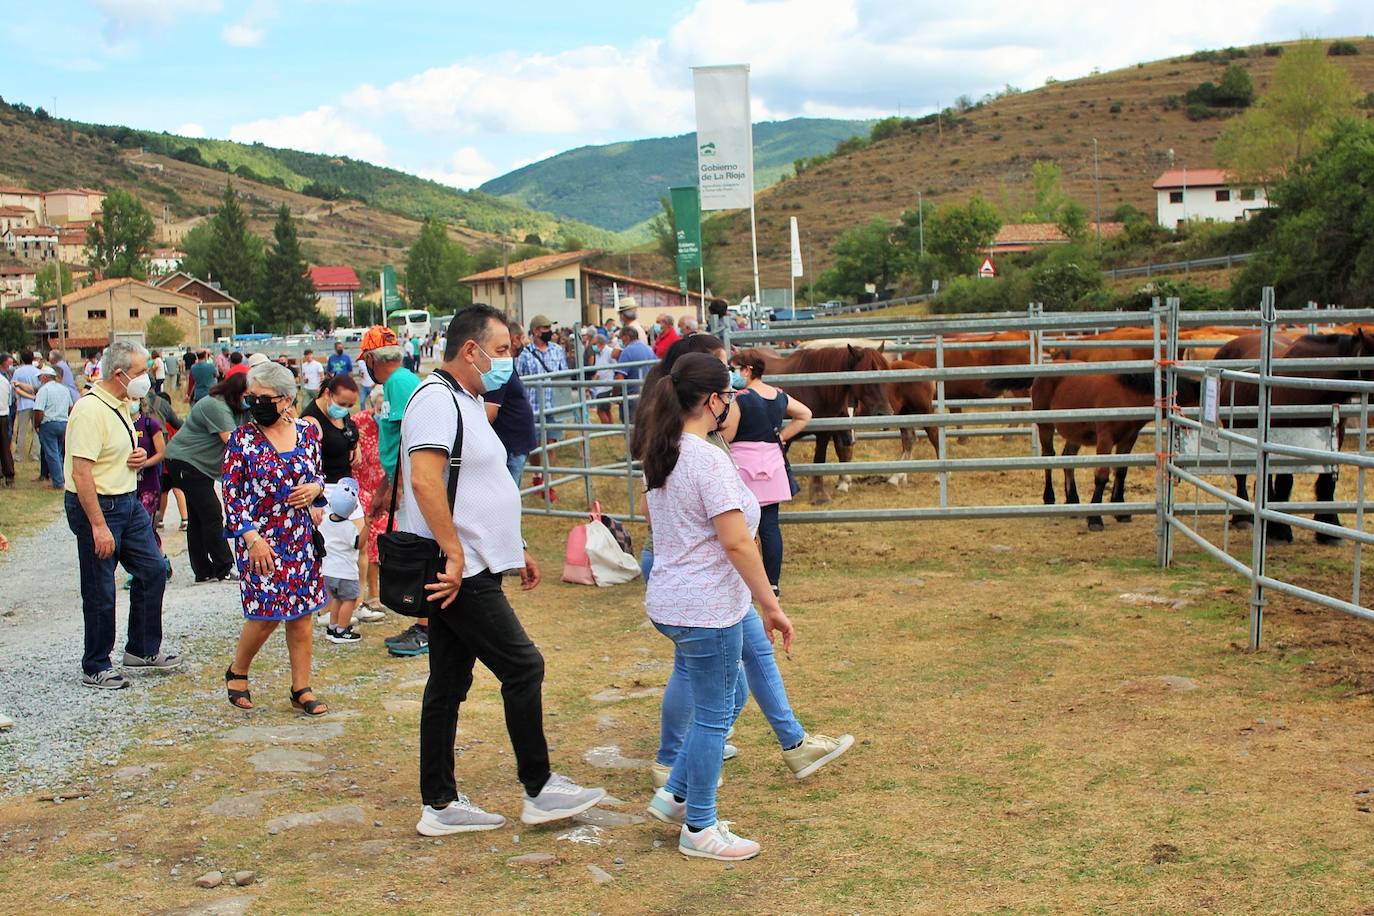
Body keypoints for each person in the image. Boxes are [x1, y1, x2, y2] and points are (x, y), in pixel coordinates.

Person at [397, 305, 605, 836]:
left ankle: (439, 803)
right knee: (523, 665)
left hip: (477, 560)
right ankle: (538, 788)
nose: (508, 361)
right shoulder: (434, 400)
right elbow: (424, 482)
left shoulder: (466, 400)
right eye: (504, 350)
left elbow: (479, 485)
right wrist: (455, 551)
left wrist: (518, 546)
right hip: (458, 569)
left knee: (447, 681)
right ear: (472, 349)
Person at [632, 352, 792, 861]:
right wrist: (771, 604)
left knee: (728, 694)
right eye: (728, 396)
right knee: (713, 715)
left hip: (676, 599)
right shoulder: (704, 459)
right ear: (711, 400)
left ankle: (676, 795)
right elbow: (738, 543)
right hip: (705, 607)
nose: (731, 405)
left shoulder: (666, 449)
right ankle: (699, 825)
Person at [65, 340, 181, 689]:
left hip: (127, 502)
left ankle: (142, 649)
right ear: (120, 374)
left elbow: (110, 454)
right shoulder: (89, 410)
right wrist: (98, 526)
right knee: (101, 589)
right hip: (99, 507)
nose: (146, 377)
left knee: (153, 569)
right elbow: (81, 472)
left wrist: (133, 458)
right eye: (141, 371)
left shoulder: (120, 405)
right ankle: (96, 664)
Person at [221, 360, 329, 715]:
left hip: (299, 535)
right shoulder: (242, 440)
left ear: (286, 399)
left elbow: (318, 476)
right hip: (259, 539)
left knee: (301, 615)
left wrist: (315, 489)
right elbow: (232, 495)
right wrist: (252, 538)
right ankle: (238, 671)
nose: (255, 403)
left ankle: (302, 687)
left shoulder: (308, 433)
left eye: (263, 397)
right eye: (251, 396)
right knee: (266, 614)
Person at [358, 326, 427, 656]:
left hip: (410, 478)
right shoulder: (397, 382)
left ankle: (426, 627)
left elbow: (407, 438)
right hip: (400, 477)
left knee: (417, 547)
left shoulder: (399, 383)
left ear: (371, 359)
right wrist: (386, 486)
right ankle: (425, 623)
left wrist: (395, 486)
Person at [722, 350, 813, 596]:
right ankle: (772, 582)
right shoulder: (779, 395)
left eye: (734, 368)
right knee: (770, 526)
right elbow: (805, 414)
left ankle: (746, 580)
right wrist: (781, 437)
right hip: (772, 464)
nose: (731, 373)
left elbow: (728, 434)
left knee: (743, 528)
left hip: (743, 465)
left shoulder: (739, 399)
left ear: (747, 370)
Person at [165, 371, 248, 582]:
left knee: (198, 518)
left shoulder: (232, 406)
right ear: (235, 392)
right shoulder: (215, 405)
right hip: (186, 462)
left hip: (197, 465)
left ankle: (202, 571)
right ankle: (224, 567)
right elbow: (231, 441)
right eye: (246, 396)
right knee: (211, 513)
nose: (248, 401)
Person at [514, 314, 567, 493]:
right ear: (536, 331)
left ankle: (548, 479)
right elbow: (518, 379)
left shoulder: (557, 350)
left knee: (552, 442)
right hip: (533, 407)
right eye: (545, 329)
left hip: (554, 405)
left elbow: (564, 376)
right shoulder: (525, 353)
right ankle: (537, 474)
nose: (549, 332)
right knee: (535, 445)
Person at [484, 319, 538, 486]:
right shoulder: (499, 369)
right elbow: (489, 412)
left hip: (516, 444)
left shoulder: (506, 366)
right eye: (522, 338)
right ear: (514, 339)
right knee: (508, 500)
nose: (525, 343)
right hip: (510, 445)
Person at [351, 387, 387, 621]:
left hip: (385, 488)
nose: (382, 409)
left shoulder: (394, 425)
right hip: (361, 487)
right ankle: (372, 594)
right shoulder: (358, 422)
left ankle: (386, 591)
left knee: (388, 541)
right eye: (379, 404)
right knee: (371, 540)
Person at [130, 395, 172, 584]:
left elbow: (162, 452)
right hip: (128, 485)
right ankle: (161, 561)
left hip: (148, 484)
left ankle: (144, 569)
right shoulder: (119, 423)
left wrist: (144, 463)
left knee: (144, 526)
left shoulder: (150, 424)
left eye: (134, 398)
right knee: (134, 529)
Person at [318, 477, 364, 644]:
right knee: (349, 600)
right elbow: (358, 544)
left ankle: (333, 627)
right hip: (346, 572)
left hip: (328, 571)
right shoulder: (349, 527)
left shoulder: (324, 521)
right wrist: (367, 527)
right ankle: (342, 630)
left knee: (337, 599)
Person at [33, 365, 73, 489]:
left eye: (40, 377)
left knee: (51, 453)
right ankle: (63, 477)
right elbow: (70, 407)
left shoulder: (44, 390)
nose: (40, 380)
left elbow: (39, 410)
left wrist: (37, 424)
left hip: (49, 423)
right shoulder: (64, 389)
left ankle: (58, 482)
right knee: (59, 452)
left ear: (45, 377)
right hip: (63, 423)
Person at [614, 326, 655, 423]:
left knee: (631, 427)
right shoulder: (648, 349)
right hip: (648, 394)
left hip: (632, 397)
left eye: (621, 338)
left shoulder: (627, 351)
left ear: (626, 337)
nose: (620, 341)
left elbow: (620, 376)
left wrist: (616, 394)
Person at [11, 351, 40, 465]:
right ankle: (35, 454)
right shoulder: (37, 371)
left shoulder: (18, 371)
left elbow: (14, 386)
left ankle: (19, 455)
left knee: (21, 431)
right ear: (33, 358)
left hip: (23, 404)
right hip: (37, 403)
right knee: (36, 430)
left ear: (22, 359)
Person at [0, 353, 14, 487]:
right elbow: (10, 400)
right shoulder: (4, 381)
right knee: (5, 446)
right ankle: (9, 474)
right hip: (4, 415)